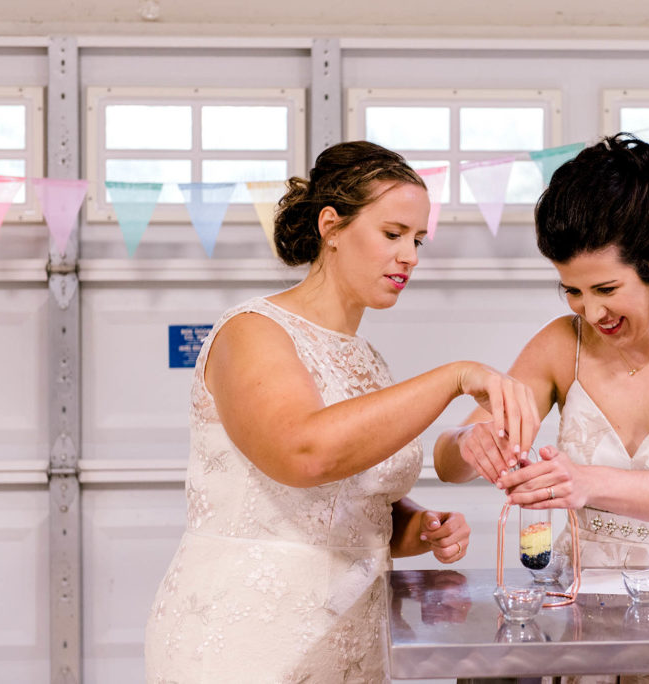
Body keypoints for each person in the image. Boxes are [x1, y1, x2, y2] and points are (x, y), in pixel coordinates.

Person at [144, 141, 540, 683]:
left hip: (353, 636)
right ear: (331, 225)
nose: (411, 257)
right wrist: (455, 375)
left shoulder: (369, 361)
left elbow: (347, 507)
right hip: (246, 636)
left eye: (418, 240)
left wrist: (417, 527)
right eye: (393, 234)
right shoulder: (253, 331)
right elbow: (304, 454)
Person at [434, 133, 649, 684]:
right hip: (578, 609)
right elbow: (446, 463)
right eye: (571, 291)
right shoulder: (562, 343)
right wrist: (467, 443)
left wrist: (582, 481)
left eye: (606, 287)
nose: (591, 311)